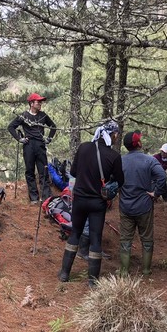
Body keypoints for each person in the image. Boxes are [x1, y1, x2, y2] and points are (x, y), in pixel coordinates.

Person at [58, 120, 124, 286]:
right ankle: (92, 281)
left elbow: (73, 172)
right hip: (98, 202)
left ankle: (64, 274)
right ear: (113, 135)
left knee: (75, 234)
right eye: (116, 134)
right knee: (96, 238)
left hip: (79, 199)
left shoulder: (83, 147)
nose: (117, 137)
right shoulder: (114, 156)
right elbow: (120, 181)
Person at [118, 131, 166, 275]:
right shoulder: (149, 160)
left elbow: (113, 179)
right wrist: (156, 193)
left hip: (125, 206)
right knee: (146, 238)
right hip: (144, 206)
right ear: (139, 144)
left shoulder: (120, 161)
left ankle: (124, 271)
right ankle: (146, 270)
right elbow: (162, 177)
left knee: (125, 239)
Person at [7, 93, 56, 203]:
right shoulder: (24, 116)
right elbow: (11, 127)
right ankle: (34, 198)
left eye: (40, 102)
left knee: (43, 171)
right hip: (28, 146)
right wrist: (19, 139)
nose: (40, 104)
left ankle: (46, 198)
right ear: (31, 103)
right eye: (38, 102)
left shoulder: (43, 115)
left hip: (40, 145)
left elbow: (53, 126)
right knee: (30, 171)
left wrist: (49, 139)